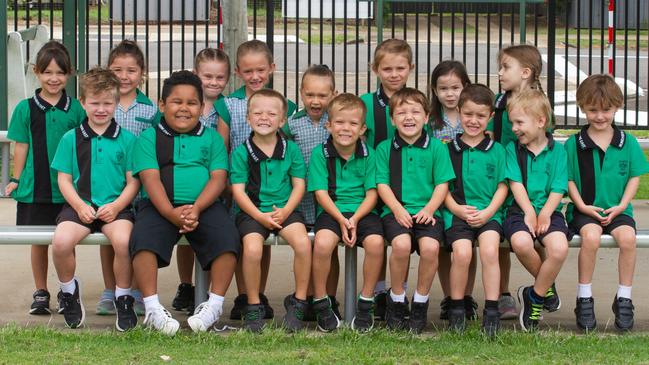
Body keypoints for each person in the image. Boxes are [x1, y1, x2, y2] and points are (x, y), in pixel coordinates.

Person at [129, 71, 240, 336]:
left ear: (202, 108)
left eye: (192, 103)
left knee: (229, 239)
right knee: (142, 241)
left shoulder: (212, 138)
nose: (184, 108)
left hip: (204, 205)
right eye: (177, 102)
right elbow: (150, 178)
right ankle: (153, 308)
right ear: (162, 105)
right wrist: (170, 212)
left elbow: (218, 177)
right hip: (160, 206)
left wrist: (198, 208)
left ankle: (213, 306)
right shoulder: (149, 138)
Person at [50, 67, 139, 330]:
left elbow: (134, 181)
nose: (101, 109)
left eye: (107, 103)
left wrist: (117, 206)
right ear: (83, 103)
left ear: (116, 103)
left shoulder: (127, 139)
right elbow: (64, 180)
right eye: (95, 103)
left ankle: (123, 298)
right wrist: (79, 205)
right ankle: (69, 292)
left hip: (115, 208)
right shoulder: (70, 139)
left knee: (124, 242)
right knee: (61, 243)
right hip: (80, 207)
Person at [215, 40, 297, 320]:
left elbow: (285, 144)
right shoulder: (228, 105)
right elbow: (223, 144)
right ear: (238, 71)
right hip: (240, 183)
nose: (255, 76)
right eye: (248, 71)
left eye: (261, 69)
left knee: (264, 242)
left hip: (272, 185)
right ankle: (243, 296)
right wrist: (226, 184)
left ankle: (258, 294)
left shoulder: (284, 105)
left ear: (271, 68)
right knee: (244, 241)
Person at [5, 40, 86, 315]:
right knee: (38, 241)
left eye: (60, 73)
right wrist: (16, 179)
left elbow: (82, 147)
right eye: (47, 72)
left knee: (66, 242)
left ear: (69, 74)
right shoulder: (24, 109)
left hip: (67, 190)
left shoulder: (76, 109)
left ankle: (68, 290)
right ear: (36, 72)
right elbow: (21, 146)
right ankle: (41, 291)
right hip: (33, 189)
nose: (54, 78)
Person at [566, 74, 649, 332]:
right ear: (581, 107)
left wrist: (623, 206)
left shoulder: (628, 143)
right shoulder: (573, 144)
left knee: (628, 239)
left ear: (617, 107)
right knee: (590, 237)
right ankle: (584, 297)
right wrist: (580, 206)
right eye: (592, 110)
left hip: (618, 209)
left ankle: (624, 297)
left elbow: (634, 178)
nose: (599, 116)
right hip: (585, 209)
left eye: (606, 110)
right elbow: (568, 180)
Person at [230, 89, 310, 333]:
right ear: (247, 118)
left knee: (304, 244)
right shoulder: (242, 152)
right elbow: (238, 191)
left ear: (282, 120)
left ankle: (299, 303)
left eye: (271, 113)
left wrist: (285, 211)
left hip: (285, 210)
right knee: (252, 249)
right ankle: (253, 305)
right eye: (257, 113)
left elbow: (299, 185)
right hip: (253, 212)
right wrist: (258, 216)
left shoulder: (291, 149)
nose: (264, 117)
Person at [376, 88, 454, 332]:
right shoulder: (384, 148)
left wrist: (430, 209)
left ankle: (420, 303)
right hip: (396, 212)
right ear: (392, 119)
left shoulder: (437, 148)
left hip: (428, 212)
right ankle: (397, 300)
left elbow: (442, 184)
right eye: (401, 112)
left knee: (431, 248)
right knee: (400, 245)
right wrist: (397, 209)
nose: (408, 117)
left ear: (427, 116)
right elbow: (382, 184)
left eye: (415, 112)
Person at [308, 93, 383, 333]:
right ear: (329, 125)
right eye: (339, 122)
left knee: (375, 243)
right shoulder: (320, 153)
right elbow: (320, 193)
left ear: (362, 129)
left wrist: (355, 219)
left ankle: (366, 302)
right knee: (322, 244)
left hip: (362, 211)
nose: (345, 128)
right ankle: (321, 301)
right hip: (332, 210)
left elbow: (372, 194)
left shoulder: (369, 154)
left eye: (352, 124)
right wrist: (341, 219)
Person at [487, 44, 550, 319]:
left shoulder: (541, 105)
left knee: (538, 239)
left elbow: (547, 149)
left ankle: (542, 287)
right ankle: (504, 294)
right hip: (504, 184)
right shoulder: (498, 106)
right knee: (502, 238)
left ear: (525, 72)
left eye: (505, 67)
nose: (500, 73)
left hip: (535, 189)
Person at [442, 84, 507, 336]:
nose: (473, 120)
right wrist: (456, 209)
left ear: (490, 116)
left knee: (490, 251)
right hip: (456, 213)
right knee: (461, 253)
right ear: (459, 112)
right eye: (468, 114)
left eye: (480, 116)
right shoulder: (447, 149)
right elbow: (442, 187)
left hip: (489, 214)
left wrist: (489, 211)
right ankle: (457, 307)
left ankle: (492, 311)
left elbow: (503, 186)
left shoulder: (497, 150)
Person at [171, 47, 233, 314]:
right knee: (185, 235)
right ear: (196, 74)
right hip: (184, 184)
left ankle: (207, 290)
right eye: (207, 76)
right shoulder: (184, 104)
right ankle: (186, 284)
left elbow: (222, 146)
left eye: (220, 78)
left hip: (213, 183)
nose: (213, 83)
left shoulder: (224, 109)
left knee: (210, 235)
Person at [503, 89, 570, 332]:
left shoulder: (558, 151)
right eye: (512, 122)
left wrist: (544, 214)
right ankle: (547, 287)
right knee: (521, 243)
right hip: (519, 211)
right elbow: (515, 183)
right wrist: (530, 212)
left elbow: (559, 186)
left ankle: (535, 295)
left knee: (559, 248)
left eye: (519, 122)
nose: (514, 128)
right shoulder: (513, 150)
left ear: (541, 121)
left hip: (550, 212)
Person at [102, 39, 161, 315]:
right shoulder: (102, 104)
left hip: (140, 188)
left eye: (131, 70)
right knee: (108, 238)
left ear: (142, 73)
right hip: (109, 184)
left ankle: (135, 290)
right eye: (117, 70)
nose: (123, 77)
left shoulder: (150, 110)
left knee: (136, 239)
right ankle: (109, 289)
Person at [360, 39, 414, 319]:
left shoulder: (416, 103)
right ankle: (379, 292)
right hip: (374, 185)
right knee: (378, 236)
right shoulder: (365, 104)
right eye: (387, 69)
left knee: (400, 239)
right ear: (375, 69)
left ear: (411, 68)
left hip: (409, 189)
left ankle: (398, 291)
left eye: (400, 68)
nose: (394, 75)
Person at [283, 64, 341, 320]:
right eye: (310, 95)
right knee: (305, 247)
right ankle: (305, 296)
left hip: (330, 196)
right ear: (301, 93)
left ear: (333, 94)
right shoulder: (291, 125)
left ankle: (329, 297)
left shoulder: (337, 122)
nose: (315, 101)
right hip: (303, 197)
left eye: (322, 95)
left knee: (329, 248)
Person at [427, 60, 479, 321]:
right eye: (443, 88)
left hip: (470, 194)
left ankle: (466, 296)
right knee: (444, 246)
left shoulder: (473, 118)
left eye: (456, 87)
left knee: (468, 247)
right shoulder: (430, 124)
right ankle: (450, 296)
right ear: (434, 91)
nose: (450, 93)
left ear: (466, 87)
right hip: (440, 195)